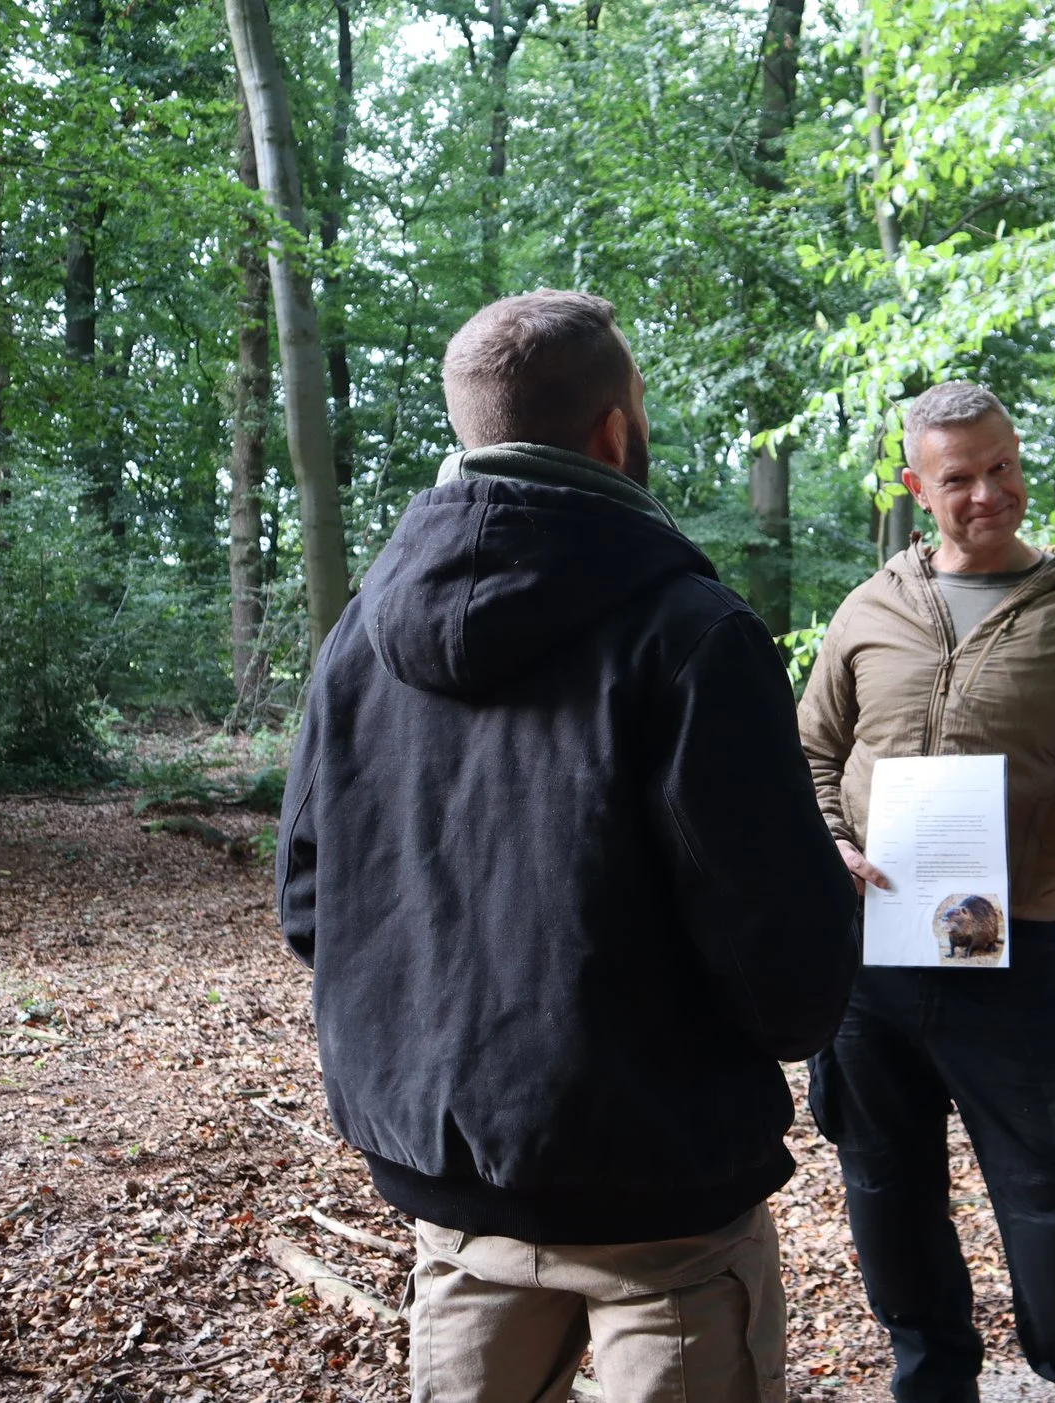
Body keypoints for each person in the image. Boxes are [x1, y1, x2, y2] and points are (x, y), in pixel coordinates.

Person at [275, 290, 859, 1403]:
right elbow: (780, 961)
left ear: (473, 430)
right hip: (660, 1195)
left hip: (449, 1181)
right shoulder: (693, 635)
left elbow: (312, 903)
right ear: (614, 431)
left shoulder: (359, 631)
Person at [795, 381, 1055, 1403]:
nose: (989, 493)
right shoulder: (871, 606)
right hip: (870, 960)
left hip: (1007, 960)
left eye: (1003, 466)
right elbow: (805, 752)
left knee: (1053, 1200)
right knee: (887, 1193)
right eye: (960, 478)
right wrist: (829, 839)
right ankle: (932, 1379)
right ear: (914, 487)